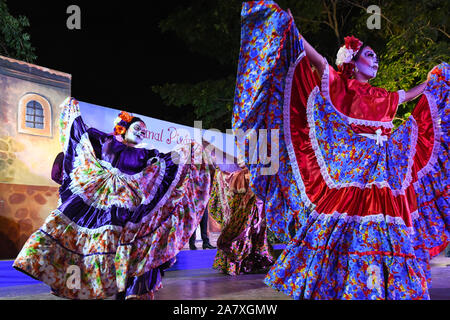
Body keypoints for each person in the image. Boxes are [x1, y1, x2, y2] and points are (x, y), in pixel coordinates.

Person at [233, 1, 448, 299]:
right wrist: (293, 30)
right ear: (353, 60)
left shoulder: (385, 96)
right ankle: (344, 285)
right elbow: (319, 62)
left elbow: (415, 93)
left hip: (383, 170)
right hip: (350, 172)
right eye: (370, 55)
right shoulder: (339, 86)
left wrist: (436, 80)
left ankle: (382, 287)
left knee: (387, 225)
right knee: (343, 227)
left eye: (376, 57)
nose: (376, 61)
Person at [13, 98, 213, 300]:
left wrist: (188, 146)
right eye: (137, 127)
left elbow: (168, 163)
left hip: (127, 205)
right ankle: (65, 276)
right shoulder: (105, 141)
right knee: (75, 234)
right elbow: (80, 135)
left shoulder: (146, 154)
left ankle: (128, 290)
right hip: (97, 197)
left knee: (131, 245)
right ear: (124, 127)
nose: (141, 132)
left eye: (144, 131)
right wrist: (71, 111)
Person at [208, 163, 275, 275]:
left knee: (249, 221)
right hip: (231, 181)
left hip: (245, 180)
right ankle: (235, 261)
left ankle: (249, 261)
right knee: (236, 221)